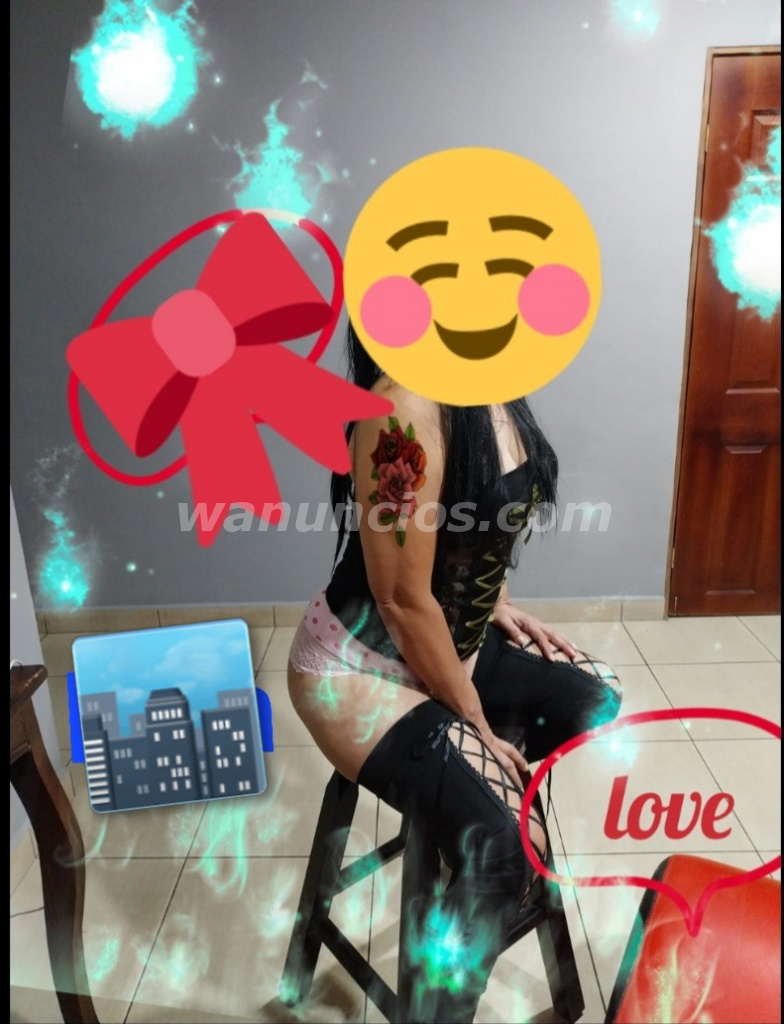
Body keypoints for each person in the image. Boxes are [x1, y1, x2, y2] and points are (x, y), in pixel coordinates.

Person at [288, 325, 622, 1021]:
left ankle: (476, 840)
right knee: (505, 845)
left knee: (597, 695)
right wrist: (475, 724)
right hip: (361, 671)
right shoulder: (400, 408)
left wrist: (491, 598)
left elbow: (477, 512)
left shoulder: (488, 379)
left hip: (447, 646)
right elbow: (400, 600)